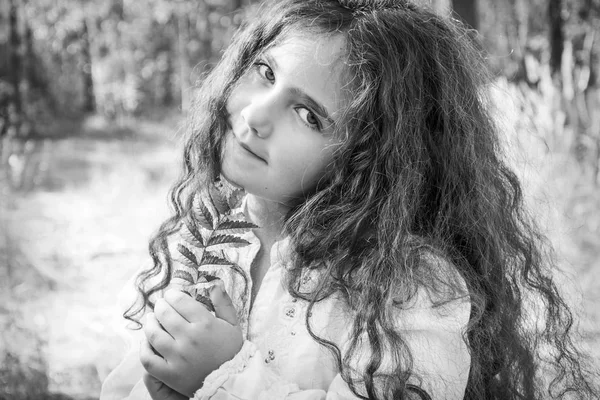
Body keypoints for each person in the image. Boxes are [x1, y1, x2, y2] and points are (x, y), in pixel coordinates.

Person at [100, 0, 598, 399]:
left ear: (370, 162)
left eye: (309, 115)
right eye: (265, 73)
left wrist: (225, 378)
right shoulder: (209, 232)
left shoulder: (409, 289)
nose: (255, 116)